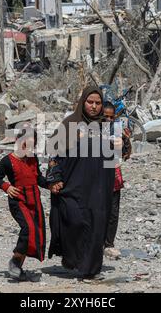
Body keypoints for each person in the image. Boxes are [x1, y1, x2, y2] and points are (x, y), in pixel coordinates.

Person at [46, 86, 115, 280]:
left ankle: (90, 269)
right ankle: (72, 258)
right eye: (90, 102)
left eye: (98, 103)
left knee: (97, 224)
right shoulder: (70, 124)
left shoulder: (107, 125)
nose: (93, 106)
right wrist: (54, 178)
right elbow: (54, 153)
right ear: (82, 102)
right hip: (74, 183)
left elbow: (119, 153)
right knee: (74, 220)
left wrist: (123, 143)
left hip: (100, 184)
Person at [0, 126, 48, 280]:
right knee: (27, 228)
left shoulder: (33, 159)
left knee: (35, 232)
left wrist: (52, 185)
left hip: (35, 201)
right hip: (19, 201)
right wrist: (7, 187)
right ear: (18, 141)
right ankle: (15, 262)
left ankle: (18, 269)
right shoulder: (7, 161)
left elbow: (39, 179)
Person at [102, 101, 131, 259]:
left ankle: (109, 243)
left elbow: (125, 153)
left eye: (111, 117)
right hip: (98, 176)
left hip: (113, 173)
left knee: (113, 211)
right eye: (104, 116)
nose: (108, 120)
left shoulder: (118, 133)